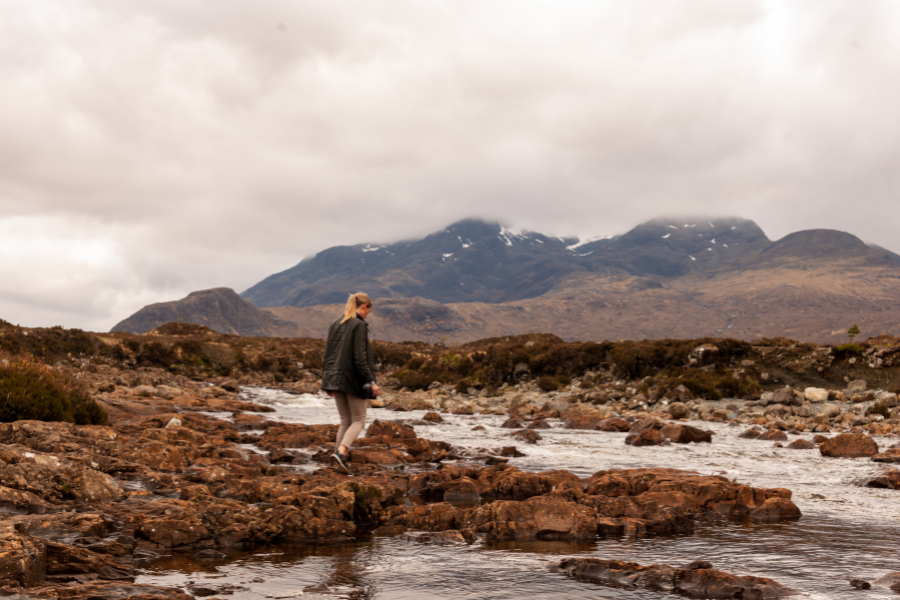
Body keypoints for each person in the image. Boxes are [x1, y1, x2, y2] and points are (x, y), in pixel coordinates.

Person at [321, 292, 379, 474]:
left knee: (345, 420)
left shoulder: (335, 323)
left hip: (335, 378)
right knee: (359, 420)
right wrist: (370, 381)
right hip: (353, 379)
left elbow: (328, 355)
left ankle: (337, 459)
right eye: (368, 311)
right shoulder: (358, 325)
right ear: (364, 307)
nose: (367, 314)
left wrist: (328, 382)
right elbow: (360, 358)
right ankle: (341, 451)